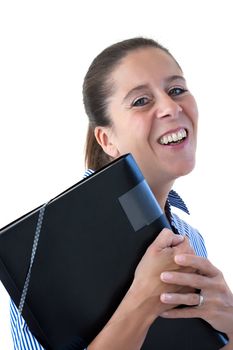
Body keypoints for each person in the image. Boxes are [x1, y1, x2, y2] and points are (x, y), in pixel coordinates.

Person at [10, 37, 233, 349]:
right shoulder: (40, 249)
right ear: (106, 139)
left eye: (176, 90)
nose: (171, 107)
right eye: (141, 101)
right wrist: (141, 301)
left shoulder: (190, 239)